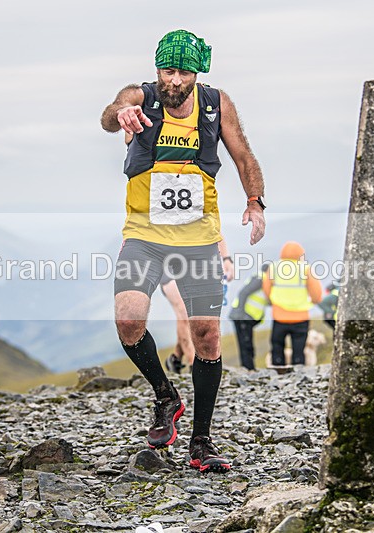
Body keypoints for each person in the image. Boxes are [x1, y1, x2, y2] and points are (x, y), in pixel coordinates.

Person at [100, 29, 266, 473]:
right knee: (129, 318)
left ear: (197, 73)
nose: (174, 80)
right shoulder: (141, 96)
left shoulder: (216, 104)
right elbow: (109, 114)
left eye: (184, 72)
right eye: (168, 70)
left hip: (198, 239)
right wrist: (123, 114)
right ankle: (165, 395)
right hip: (144, 235)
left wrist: (255, 202)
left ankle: (202, 440)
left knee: (207, 335)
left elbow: (243, 155)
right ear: (158, 69)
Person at [163, 237, 234, 374]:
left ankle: (176, 357)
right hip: (169, 263)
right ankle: (193, 365)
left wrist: (226, 259)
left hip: (198, 262)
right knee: (184, 313)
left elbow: (215, 230)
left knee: (199, 317)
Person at [263, 241, 322, 366]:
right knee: (299, 349)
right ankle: (298, 373)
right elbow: (317, 294)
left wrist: (273, 301)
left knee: (277, 346)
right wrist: (312, 301)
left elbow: (266, 289)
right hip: (301, 317)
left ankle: (278, 371)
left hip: (279, 316)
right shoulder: (306, 269)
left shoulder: (273, 267)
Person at [229, 262, 270, 371]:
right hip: (243, 316)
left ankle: (249, 369)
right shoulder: (261, 279)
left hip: (244, 316)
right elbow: (243, 293)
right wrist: (241, 313)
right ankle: (248, 370)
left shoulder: (262, 279)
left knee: (246, 343)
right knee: (245, 344)